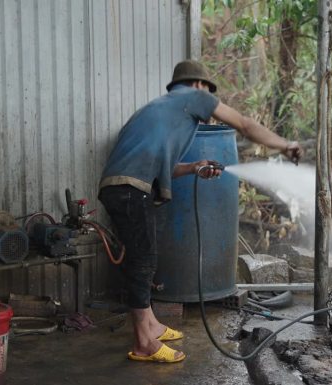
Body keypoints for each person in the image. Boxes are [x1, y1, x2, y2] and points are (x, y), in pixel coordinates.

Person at [98, 60, 302, 363]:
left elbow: (161, 167)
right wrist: (285, 145)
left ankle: (152, 325)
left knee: (146, 255)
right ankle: (143, 341)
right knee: (142, 260)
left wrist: (194, 167)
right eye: (208, 91)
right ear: (199, 85)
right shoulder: (193, 97)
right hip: (129, 188)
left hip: (123, 187)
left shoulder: (159, 110)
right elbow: (244, 124)